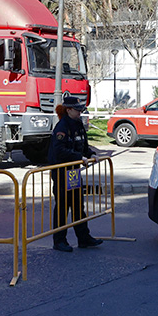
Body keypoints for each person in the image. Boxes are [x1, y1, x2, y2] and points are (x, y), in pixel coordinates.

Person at [48, 95, 103, 252]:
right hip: (61, 171)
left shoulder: (78, 124)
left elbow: (83, 145)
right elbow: (59, 150)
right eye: (77, 110)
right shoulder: (62, 127)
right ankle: (59, 241)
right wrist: (78, 157)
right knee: (62, 207)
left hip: (73, 172)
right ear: (69, 110)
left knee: (78, 205)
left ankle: (83, 238)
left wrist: (91, 154)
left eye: (81, 110)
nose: (80, 112)